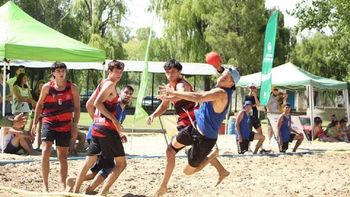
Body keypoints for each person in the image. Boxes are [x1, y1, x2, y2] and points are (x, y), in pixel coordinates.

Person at [157, 64, 240, 196]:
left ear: (232, 84)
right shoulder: (222, 85)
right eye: (223, 75)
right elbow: (222, 71)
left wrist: (172, 93)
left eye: (227, 77)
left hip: (205, 139)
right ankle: (163, 186)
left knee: (188, 172)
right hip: (194, 127)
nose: (223, 77)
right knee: (170, 150)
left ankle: (213, 155)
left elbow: (199, 97)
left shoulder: (221, 93)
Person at [68, 85, 134, 194]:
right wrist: (96, 121)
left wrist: (120, 134)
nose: (128, 95)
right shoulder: (114, 104)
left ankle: (78, 184)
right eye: (126, 92)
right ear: (119, 93)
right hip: (99, 135)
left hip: (100, 134)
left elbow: (114, 124)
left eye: (130, 94)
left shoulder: (123, 110)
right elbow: (92, 106)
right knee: (108, 166)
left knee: (102, 167)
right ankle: (84, 187)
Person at [73, 60, 125, 196]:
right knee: (121, 163)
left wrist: (96, 121)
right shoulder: (109, 85)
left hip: (97, 129)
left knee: (89, 161)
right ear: (110, 71)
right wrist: (113, 120)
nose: (119, 74)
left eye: (121, 71)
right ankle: (103, 193)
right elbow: (96, 103)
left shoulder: (102, 83)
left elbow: (89, 104)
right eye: (116, 71)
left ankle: (75, 190)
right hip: (107, 129)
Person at [31, 62, 80, 192]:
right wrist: (35, 123)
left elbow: (77, 107)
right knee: (45, 150)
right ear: (53, 73)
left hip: (65, 125)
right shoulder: (47, 87)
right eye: (58, 71)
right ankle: (45, 185)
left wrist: (75, 125)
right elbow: (39, 105)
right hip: (49, 122)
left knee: (62, 156)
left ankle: (63, 185)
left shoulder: (73, 88)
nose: (61, 73)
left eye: (63, 70)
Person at [30, 80, 46, 149]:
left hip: (43, 114)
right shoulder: (34, 94)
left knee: (41, 131)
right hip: (35, 112)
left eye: (43, 85)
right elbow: (32, 103)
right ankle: (30, 144)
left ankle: (39, 146)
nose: (41, 87)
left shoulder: (46, 93)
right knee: (32, 129)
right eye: (40, 85)